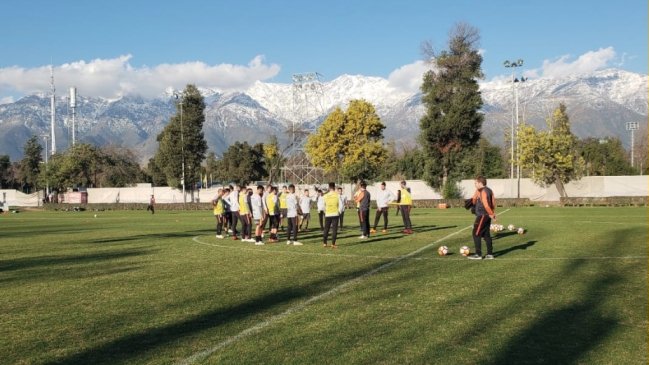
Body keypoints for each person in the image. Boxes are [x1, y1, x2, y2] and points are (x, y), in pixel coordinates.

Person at [468, 176, 496, 260]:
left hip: (483, 215)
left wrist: (491, 213)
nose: (475, 185)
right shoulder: (488, 190)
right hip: (486, 215)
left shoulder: (483, 191)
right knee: (486, 234)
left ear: (480, 183)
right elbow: (493, 203)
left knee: (476, 233)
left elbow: (486, 204)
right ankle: (490, 254)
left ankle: (478, 254)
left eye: (476, 183)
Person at [322, 182, 344, 248]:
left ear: (329, 188)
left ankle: (324, 243)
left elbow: (323, 206)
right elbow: (341, 205)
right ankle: (333, 244)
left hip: (328, 214)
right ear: (334, 187)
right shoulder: (337, 195)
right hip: (335, 214)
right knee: (334, 230)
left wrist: (325, 212)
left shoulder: (325, 196)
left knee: (326, 229)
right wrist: (339, 212)